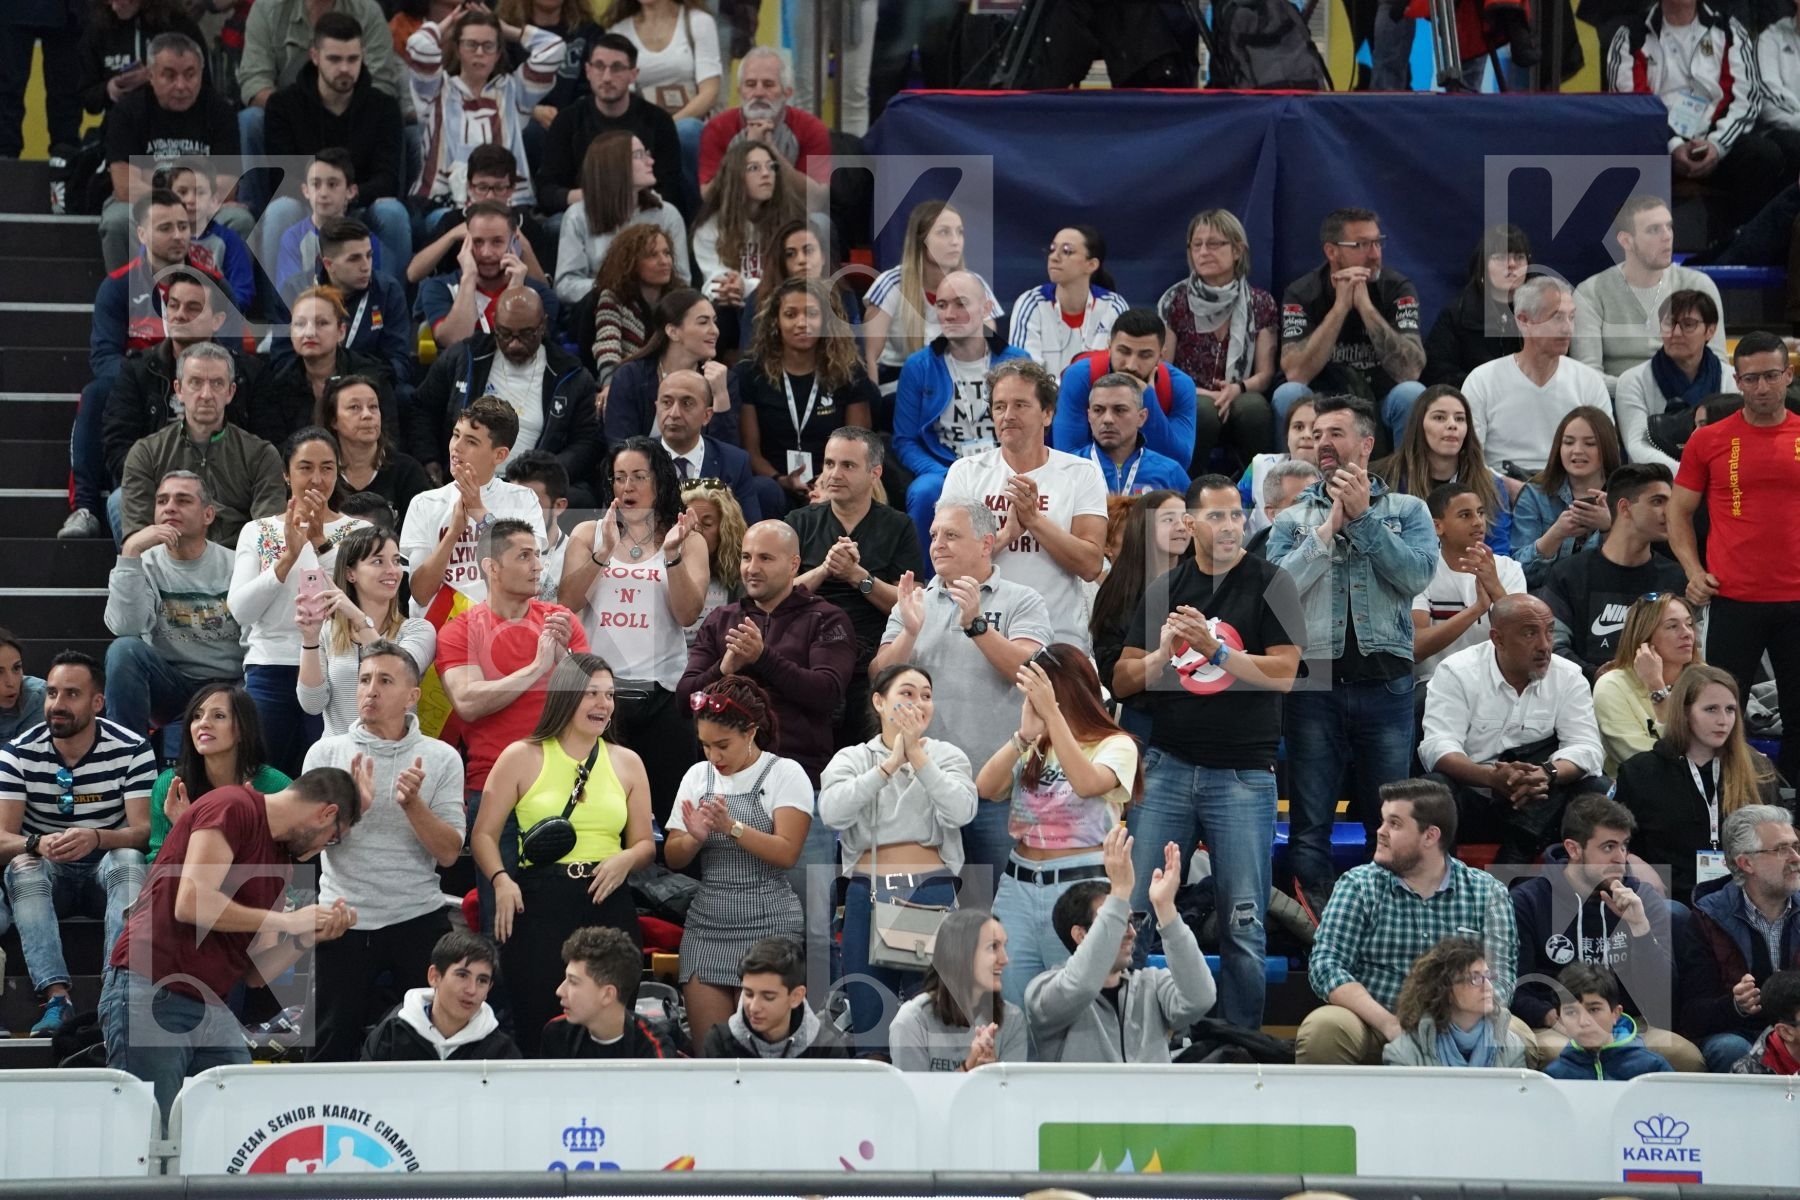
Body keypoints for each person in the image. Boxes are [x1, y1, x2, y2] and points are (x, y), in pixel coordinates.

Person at [1113, 474, 1302, 1028]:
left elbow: (1286, 673)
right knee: (1138, 911)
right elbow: (1123, 680)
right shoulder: (1164, 588)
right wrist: (1163, 655)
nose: (1228, 526)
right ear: (1189, 523)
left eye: (1236, 515)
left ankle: (1242, 1046)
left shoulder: (1272, 582)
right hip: (1169, 763)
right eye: (1215, 516)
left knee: (1244, 922)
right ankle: (1136, 1035)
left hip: (1242, 773)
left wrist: (1214, 649)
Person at [101, 766, 363, 1116]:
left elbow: (255, 974)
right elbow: (191, 902)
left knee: (237, 1123)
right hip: (153, 983)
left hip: (210, 1002)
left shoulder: (281, 862)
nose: (321, 849)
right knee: (150, 1133)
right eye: (332, 838)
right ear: (326, 813)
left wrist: (305, 937)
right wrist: (287, 919)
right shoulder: (233, 804)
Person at [1266, 394, 1437, 909]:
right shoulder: (1292, 519)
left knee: (1388, 819)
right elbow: (1276, 592)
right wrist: (1325, 533)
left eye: (1335, 433)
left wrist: (1363, 521)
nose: (1322, 443)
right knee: (1310, 821)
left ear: (1366, 443)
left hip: (1386, 685)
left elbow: (1415, 576)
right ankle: (1316, 924)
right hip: (1311, 684)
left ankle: (1381, 913)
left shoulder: (1408, 510)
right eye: (1317, 435)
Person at [474, 652, 655, 1055]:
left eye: (609, 695)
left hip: (607, 899)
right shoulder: (521, 756)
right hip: (539, 900)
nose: (603, 704)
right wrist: (502, 881)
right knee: (539, 1020)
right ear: (565, 696)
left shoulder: (628, 762)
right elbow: (484, 834)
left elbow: (645, 843)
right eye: (591, 693)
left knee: (612, 1026)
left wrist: (626, 859)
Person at [872, 500, 1052, 901]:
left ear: (986, 543)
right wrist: (910, 631)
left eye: (951, 535)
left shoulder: (1023, 600)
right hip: (922, 789)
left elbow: (1025, 669)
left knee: (995, 914)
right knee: (917, 924)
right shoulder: (912, 602)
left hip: (998, 793)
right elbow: (879, 677)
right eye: (934, 535)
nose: (937, 544)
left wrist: (976, 625)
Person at [303, 641, 465, 1061]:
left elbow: (449, 853)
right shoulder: (326, 752)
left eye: (385, 680)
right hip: (343, 918)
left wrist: (412, 805)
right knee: (330, 1045)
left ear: (412, 697)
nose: (370, 690)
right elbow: (300, 848)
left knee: (435, 1045)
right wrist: (352, 810)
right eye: (363, 680)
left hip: (417, 914)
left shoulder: (441, 757)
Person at [1297, 780, 1524, 1066]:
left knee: (1518, 1036)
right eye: (1382, 821)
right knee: (1324, 1029)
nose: (1380, 832)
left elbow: (1502, 976)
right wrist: (1389, 1024)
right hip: (1375, 1021)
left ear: (1430, 836)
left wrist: (1457, 1023)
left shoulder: (1487, 893)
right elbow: (1326, 965)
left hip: (1462, 1022)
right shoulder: (1357, 885)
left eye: (1394, 824)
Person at [437, 518, 590, 931]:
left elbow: (595, 705)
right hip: (492, 789)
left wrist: (562, 663)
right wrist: (537, 668)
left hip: (567, 783)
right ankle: (500, 997)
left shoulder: (560, 620)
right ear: (491, 566)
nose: (537, 565)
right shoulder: (460, 630)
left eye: (538, 555)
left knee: (571, 918)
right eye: (524, 556)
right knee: (501, 924)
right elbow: (467, 702)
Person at [975, 646, 1141, 1007]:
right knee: (1012, 1005)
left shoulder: (1116, 744)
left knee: (1080, 1004)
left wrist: (1053, 715)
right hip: (1018, 885)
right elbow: (985, 789)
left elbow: (1087, 783)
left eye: (1044, 691)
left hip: (1081, 887)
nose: (1034, 700)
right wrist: (1023, 736)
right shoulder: (1035, 743)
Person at [0, 652, 155, 1036]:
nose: (57, 705)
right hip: (50, 873)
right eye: (52, 693)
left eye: (71, 694)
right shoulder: (18, 752)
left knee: (129, 859)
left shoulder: (132, 748)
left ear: (97, 702)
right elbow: (3, 839)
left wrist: (96, 837)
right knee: (23, 865)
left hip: (107, 869)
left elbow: (143, 832)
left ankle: (116, 992)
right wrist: (36, 843)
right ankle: (56, 998)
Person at [1670, 331, 1800, 785]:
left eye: (1770, 376)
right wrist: (1693, 571)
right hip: (1733, 600)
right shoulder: (1709, 440)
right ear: (1737, 381)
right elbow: (1678, 513)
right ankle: (1720, 821)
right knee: (1718, 721)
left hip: (1797, 602)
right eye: (1751, 378)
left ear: (1788, 374)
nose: (1762, 387)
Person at [819, 663, 975, 1039]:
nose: (918, 702)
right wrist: (889, 765)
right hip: (867, 894)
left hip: (926, 892)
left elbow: (961, 811)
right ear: (878, 701)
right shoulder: (853, 757)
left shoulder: (948, 755)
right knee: (871, 1024)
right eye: (906, 693)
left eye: (926, 696)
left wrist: (917, 757)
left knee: (936, 1026)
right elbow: (831, 812)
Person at [559, 436, 709, 819]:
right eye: (619, 477)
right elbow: (568, 601)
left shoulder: (688, 540)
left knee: (668, 805)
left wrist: (672, 556)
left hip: (663, 691)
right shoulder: (586, 533)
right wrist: (603, 551)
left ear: (659, 481)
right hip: (598, 692)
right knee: (598, 808)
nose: (627, 486)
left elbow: (688, 614)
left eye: (639, 476)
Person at [665, 677, 816, 1048]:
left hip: (770, 920)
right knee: (711, 1054)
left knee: (764, 1052)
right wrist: (694, 838)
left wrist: (731, 827)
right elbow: (672, 855)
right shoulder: (697, 776)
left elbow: (787, 852)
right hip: (708, 922)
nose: (714, 757)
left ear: (750, 732)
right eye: (705, 746)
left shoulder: (785, 773)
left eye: (722, 745)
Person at [1419, 595, 1608, 864]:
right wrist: (1490, 778)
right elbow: (1438, 747)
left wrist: (1547, 773)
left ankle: (1583, 898)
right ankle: (1440, 891)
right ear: (1498, 639)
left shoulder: (1568, 675)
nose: (1545, 645)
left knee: (1597, 789)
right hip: (1477, 796)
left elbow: (1587, 748)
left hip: (1542, 795)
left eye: (1550, 631)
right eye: (1530, 633)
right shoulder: (1457, 672)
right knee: (1433, 790)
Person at [1511, 796, 1695, 1070]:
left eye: (1624, 846)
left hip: (1627, 1022)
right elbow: (1517, 986)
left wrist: (1640, 929)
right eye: (1608, 847)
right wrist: (1553, 1017)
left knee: (1685, 1056)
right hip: (1554, 1022)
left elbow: (1662, 998)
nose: (1620, 858)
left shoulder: (1643, 898)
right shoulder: (1528, 900)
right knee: (1556, 1054)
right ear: (1574, 848)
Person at [228, 427, 370, 775]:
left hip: (338, 667)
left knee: (328, 779)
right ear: (285, 473)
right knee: (262, 775)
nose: (317, 479)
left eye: (327, 468)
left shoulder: (358, 532)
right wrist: (288, 556)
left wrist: (319, 540)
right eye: (305, 467)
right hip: (271, 666)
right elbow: (241, 611)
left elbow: (362, 605)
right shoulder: (258, 531)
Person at [940, 359, 1107, 653]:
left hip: (1058, 637)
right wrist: (1006, 535)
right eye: (1000, 406)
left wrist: (1035, 520)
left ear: (1047, 414)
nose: (1008, 415)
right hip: (979, 630)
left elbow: (1091, 565)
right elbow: (949, 564)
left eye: (1020, 405)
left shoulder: (1081, 472)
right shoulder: (965, 472)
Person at [679, 520, 857, 793]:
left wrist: (763, 658)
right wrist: (723, 669)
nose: (752, 568)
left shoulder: (826, 618)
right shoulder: (720, 619)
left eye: (765, 558)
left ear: (794, 564)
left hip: (800, 777)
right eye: (746, 557)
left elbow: (827, 693)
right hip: (724, 781)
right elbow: (685, 700)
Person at [1025, 826, 1216, 1063]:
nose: (1131, 932)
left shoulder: (1152, 985)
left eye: (1130, 921)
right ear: (1080, 935)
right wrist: (1120, 891)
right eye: (1115, 921)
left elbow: (1200, 999)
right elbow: (1082, 985)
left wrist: (1167, 911)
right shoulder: (1042, 992)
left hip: (1152, 1101)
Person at [787, 427, 923, 745]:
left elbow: (911, 604)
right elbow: (776, 596)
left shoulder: (898, 526)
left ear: (875, 473)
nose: (835, 474)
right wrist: (824, 570)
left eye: (848, 466)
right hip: (808, 651)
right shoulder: (798, 521)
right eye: (829, 463)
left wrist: (857, 577)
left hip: (870, 656)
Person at [412, 287, 603, 504]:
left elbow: (586, 440)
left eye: (526, 334)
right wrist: (429, 458)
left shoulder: (572, 374)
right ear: (494, 322)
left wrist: (544, 473)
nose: (514, 343)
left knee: (583, 499)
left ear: (543, 325)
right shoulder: (464, 356)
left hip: (533, 490)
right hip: (465, 480)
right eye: (505, 333)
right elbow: (422, 407)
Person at [1614, 664, 1783, 905]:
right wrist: (1630, 860)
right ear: (1684, 712)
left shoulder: (1756, 770)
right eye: (1711, 709)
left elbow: (1779, 840)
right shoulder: (1640, 772)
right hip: (1671, 899)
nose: (1723, 720)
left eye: (1730, 710)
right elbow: (1610, 840)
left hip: (1746, 899)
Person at [1607, 2, 1782, 231]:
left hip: (1715, 143)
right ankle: (1638, 246)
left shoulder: (1729, 29)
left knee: (1765, 155)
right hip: (1658, 147)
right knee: (1626, 153)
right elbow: (1631, 106)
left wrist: (1716, 146)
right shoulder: (1631, 34)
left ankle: (1739, 243)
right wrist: (1673, 144)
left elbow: (1745, 101)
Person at [893, 271, 1032, 550]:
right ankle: (925, 584)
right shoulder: (919, 366)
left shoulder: (1017, 361)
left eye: (960, 304)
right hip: (943, 467)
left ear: (986, 308)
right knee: (924, 492)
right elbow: (904, 440)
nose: (949, 314)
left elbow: (1034, 428)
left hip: (1006, 465)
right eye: (942, 305)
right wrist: (946, 472)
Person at [103, 471, 247, 740]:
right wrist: (131, 550)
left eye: (183, 500)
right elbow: (126, 627)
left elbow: (255, 638)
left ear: (208, 515)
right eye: (162, 501)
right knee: (124, 651)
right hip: (170, 684)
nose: (170, 507)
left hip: (231, 685)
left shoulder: (236, 563)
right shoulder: (141, 563)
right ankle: (129, 760)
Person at [262, 13, 411, 273]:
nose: (344, 68)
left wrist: (345, 197)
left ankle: (391, 307)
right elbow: (282, 177)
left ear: (363, 55)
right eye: (334, 59)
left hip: (360, 204)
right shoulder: (284, 105)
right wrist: (325, 197)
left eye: (352, 59)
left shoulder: (383, 106)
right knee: (279, 210)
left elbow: (388, 178)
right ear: (315, 56)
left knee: (393, 212)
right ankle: (278, 309)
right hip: (306, 203)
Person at [1275, 208, 1425, 444]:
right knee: (1288, 394)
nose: (1375, 254)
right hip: (1322, 399)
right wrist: (1340, 309)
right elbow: (1295, 372)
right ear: (1331, 251)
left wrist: (1366, 308)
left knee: (1412, 393)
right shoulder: (1302, 293)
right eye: (1361, 245)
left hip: (1381, 397)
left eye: (1378, 243)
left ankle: (1406, 480)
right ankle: (1294, 478)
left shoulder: (1397, 289)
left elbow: (1411, 371)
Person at [98, 33, 244, 272]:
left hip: (203, 209)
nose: (181, 85)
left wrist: (177, 197)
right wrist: (185, 200)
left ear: (201, 74)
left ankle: (226, 303)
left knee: (240, 221)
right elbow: (125, 187)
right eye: (169, 75)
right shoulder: (127, 112)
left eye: (190, 74)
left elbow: (227, 188)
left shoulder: (220, 112)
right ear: (151, 76)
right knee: (116, 221)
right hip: (146, 207)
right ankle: (127, 302)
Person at [118, 345, 286, 551]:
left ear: (230, 392)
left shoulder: (261, 455)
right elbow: (137, 538)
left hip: (237, 567)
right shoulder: (146, 453)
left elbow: (268, 537)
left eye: (217, 383)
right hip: (168, 566)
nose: (206, 394)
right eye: (196, 383)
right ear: (179, 390)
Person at [100, 269, 250, 493]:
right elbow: (118, 446)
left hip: (228, 490)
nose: (179, 315)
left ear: (217, 320)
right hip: (155, 488)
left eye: (193, 308)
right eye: (173, 305)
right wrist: (164, 486)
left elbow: (263, 447)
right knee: (119, 500)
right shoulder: (137, 371)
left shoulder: (245, 373)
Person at [736, 278, 877, 511]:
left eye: (812, 314)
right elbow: (751, 451)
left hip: (834, 478)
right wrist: (780, 479)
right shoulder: (750, 372)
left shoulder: (848, 372)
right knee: (764, 490)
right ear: (776, 322)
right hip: (776, 481)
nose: (802, 323)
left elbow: (858, 444)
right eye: (791, 314)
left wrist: (826, 479)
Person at [1678, 804, 1800, 1070]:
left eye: (1796, 846)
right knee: (1730, 1049)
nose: (1795, 857)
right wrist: (1736, 1005)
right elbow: (1692, 1015)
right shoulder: (1708, 917)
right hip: (1738, 1031)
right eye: (1782, 849)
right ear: (1746, 863)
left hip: (1797, 1031)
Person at [406, 5, 563, 210]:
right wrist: (450, 21)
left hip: (507, 207)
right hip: (441, 206)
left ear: (498, 53)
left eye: (488, 46)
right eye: (471, 44)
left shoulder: (514, 92)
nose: (479, 52)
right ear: (457, 48)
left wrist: (507, 30)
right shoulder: (435, 90)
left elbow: (554, 48)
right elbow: (418, 47)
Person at [400, 395, 548, 612]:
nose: (456, 447)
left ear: (499, 455)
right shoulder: (425, 503)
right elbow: (421, 594)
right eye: (456, 435)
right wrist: (452, 535)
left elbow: (530, 578)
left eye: (471, 441)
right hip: (439, 629)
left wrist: (479, 513)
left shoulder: (523, 499)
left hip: (501, 626)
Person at [1155, 209, 1277, 469]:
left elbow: (1265, 373)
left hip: (1240, 392)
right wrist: (1204, 393)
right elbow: (1163, 368)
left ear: (1237, 250)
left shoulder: (1260, 302)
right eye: (1196, 245)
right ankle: (1190, 491)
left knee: (1254, 408)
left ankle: (1261, 492)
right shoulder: (1174, 300)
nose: (1203, 252)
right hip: (1191, 392)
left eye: (1213, 244)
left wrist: (1237, 389)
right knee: (1202, 410)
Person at [1540, 464, 1685, 681]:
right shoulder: (1568, 574)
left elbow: (1691, 650)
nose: (1669, 512)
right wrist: (1594, 673)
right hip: (1583, 697)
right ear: (1625, 508)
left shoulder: (1676, 578)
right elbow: (1552, 644)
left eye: (1671, 503)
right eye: (1657, 501)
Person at [1570, 195, 1728, 393]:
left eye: (1669, 227)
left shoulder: (1697, 285)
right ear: (1626, 240)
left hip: (1689, 398)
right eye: (1654, 230)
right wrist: (1642, 391)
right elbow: (1587, 376)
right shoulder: (1591, 292)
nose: (1667, 236)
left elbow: (1718, 364)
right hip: (1616, 401)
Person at [1462, 278, 1610, 478]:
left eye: (1572, 317)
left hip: (1568, 487)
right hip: (1500, 488)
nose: (1568, 328)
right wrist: (1508, 487)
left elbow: (1606, 454)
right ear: (1524, 321)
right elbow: (1471, 459)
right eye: (1557, 318)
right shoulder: (1482, 380)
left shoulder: (1589, 381)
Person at [296, 525, 437, 736]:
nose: (392, 570)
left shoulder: (418, 630)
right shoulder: (328, 631)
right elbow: (313, 704)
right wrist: (309, 639)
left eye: (397, 561)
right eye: (378, 561)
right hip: (339, 759)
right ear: (350, 574)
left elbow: (397, 669)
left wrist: (359, 619)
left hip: (396, 753)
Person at [536, 32, 685, 220]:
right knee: (556, 225)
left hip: (642, 214)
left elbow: (670, 190)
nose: (606, 77)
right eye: (599, 66)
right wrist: (596, 198)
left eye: (616, 68)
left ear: (633, 74)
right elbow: (547, 192)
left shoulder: (658, 121)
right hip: (585, 213)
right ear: (588, 71)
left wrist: (625, 201)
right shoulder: (568, 120)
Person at [863, 201, 1005, 396]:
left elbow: (990, 347)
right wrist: (873, 409)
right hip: (898, 389)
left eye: (960, 232)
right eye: (944, 232)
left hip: (960, 388)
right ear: (920, 240)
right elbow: (869, 356)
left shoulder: (974, 284)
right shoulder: (891, 283)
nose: (956, 241)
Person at [147, 685, 289, 862]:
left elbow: (293, 862)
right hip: (190, 887)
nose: (203, 723)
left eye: (219, 716)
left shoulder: (275, 787)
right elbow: (157, 864)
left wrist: (195, 827)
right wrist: (184, 829)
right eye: (197, 716)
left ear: (243, 730)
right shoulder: (171, 784)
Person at [1088, 490, 1188, 740]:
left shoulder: (1204, 581)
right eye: (1168, 519)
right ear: (1143, 528)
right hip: (1145, 720)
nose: (1181, 527)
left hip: (1202, 716)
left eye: (1185, 518)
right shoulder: (1117, 593)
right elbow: (1114, 678)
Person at [1053, 310, 1200, 472]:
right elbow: (1066, 457)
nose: (1131, 365)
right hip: (1089, 481)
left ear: (1161, 356)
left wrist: (1148, 396)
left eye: (1145, 355)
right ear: (1109, 347)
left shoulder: (1179, 385)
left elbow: (1179, 462)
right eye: (1123, 351)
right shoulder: (1079, 376)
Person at [251, 286, 397, 448]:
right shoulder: (273, 381)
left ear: (341, 332)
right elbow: (269, 450)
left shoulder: (371, 377)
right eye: (300, 324)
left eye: (322, 323)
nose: (310, 332)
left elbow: (388, 442)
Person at [1373, 385, 1511, 556]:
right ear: (1419, 425)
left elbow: (1498, 553)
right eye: (1439, 417)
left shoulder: (1491, 485)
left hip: (1469, 577)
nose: (1452, 425)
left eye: (1460, 419)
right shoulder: (1384, 478)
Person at [553, 132, 687, 307]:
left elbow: (682, 281)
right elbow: (566, 285)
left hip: (657, 313)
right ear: (614, 165)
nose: (650, 161)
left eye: (647, 153)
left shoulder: (667, 214)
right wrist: (618, 290)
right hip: (600, 311)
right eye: (639, 155)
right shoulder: (577, 216)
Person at [1411, 483, 1526, 684]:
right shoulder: (1421, 570)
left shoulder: (1509, 569)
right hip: (1435, 682)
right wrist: (1477, 609)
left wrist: (1496, 588)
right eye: (1465, 515)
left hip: (1497, 682)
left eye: (1480, 513)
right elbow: (1417, 647)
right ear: (1437, 526)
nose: (1478, 522)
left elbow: (1525, 636)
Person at [605, 0, 722, 198]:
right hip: (643, 126)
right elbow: (623, 96)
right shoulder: (619, 31)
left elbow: (710, 92)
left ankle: (696, 218)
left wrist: (666, 125)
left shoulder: (699, 22)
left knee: (687, 132)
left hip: (692, 123)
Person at [888, 907, 1027, 1071]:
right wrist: (969, 1068)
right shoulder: (912, 1021)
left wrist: (994, 1076)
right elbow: (915, 1096)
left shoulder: (1012, 1019)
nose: (1004, 959)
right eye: (993, 947)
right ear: (960, 953)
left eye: (1004, 946)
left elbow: (1010, 1095)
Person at [603, 288, 740, 450]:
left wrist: (721, 396)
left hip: (700, 474)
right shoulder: (631, 377)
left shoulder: (722, 379)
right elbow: (620, 447)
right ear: (673, 332)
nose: (715, 331)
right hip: (643, 472)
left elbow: (727, 457)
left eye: (714, 321)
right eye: (703, 322)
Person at [1615, 292, 1738, 471]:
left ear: (1710, 330)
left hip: (1720, 475)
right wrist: (1688, 476)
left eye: (1688, 325)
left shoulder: (1733, 379)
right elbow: (1637, 446)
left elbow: (1739, 440)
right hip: (1656, 481)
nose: (1676, 333)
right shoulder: (1632, 380)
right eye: (1669, 324)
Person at [419, 201, 562, 351]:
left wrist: (515, 292)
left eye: (497, 242)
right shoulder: (439, 288)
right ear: (465, 243)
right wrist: (468, 278)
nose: (486, 253)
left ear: (514, 243)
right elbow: (454, 342)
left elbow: (522, 350)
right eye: (478, 242)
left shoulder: (541, 296)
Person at [359, 929, 520, 1060]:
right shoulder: (389, 1035)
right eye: (462, 975)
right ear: (434, 977)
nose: (472, 989)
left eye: (482, 981)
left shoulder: (501, 1050)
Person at [1591, 593, 1703, 776]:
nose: (1687, 633)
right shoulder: (1611, 687)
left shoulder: (1703, 678)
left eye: (1689, 624)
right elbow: (1641, 762)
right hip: (1641, 792)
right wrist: (1656, 687)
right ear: (1644, 637)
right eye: (1673, 626)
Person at [1511, 406, 1623, 588]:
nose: (1577, 450)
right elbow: (1516, 574)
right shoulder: (1534, 494)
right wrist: (1556, 534)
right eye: (1569, 442)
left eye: (1590, 443)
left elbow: (1634, 569)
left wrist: (1610, 528)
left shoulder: (1624, 495)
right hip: (1544, 603)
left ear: (1607, 446)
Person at [299, 219, 415, 391]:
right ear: (328, 265)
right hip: (311, 388)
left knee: (405, 394)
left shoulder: (388, 291)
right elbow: (282, 360)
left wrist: (358, 384)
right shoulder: (297, 290)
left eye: (369, 256)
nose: (366, 266)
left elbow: (399, 361)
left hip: (369, 387)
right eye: (354, 259)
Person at [1381, 936, 1530, 1067]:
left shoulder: (1511, 1047)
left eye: (1488, 976)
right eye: (1475, 979)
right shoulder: (1404, 1053)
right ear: (1445, 989)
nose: (1488, 987)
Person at [699, 46, 832, 187]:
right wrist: (747, 151)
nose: (758, 93)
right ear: (739, 91)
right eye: (750, 85)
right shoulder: (718, 128)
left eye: (768, 85)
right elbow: (708, 196)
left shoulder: (811, 128)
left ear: (787, 93)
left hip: (793, 208)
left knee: (817, 211)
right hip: (737, 208)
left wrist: (771, 151)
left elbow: (818, 199)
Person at [699, 935, 851, 1058]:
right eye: (748, 993)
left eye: (768, 997)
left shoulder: (826, 1047)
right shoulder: (719, 1041)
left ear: (796, 997)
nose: (754, 1007)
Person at [1008, 225, 1128, 379]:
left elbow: (1123, 370)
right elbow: (1023, 373)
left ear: (1091, 265)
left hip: (1099, 400)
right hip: (1044, 401)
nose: (1054, 257)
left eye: (1066, 251)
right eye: (1052, 249)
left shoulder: (1113, 306)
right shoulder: (1031, 303)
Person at [317, 374, 431, 532]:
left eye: (373, 407)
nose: (367, 415)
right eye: (354, 407)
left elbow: (424, 534)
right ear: (333, 420)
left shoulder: (407, 471)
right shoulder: (321, 474)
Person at [1421, 226, 1529, 388]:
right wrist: (1486, 385)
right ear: (1483, 265)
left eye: (1519, 257)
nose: (1512, 264)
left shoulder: (1542, 311)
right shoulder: (1457, 314)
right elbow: (1437, 374)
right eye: (1501, 257)